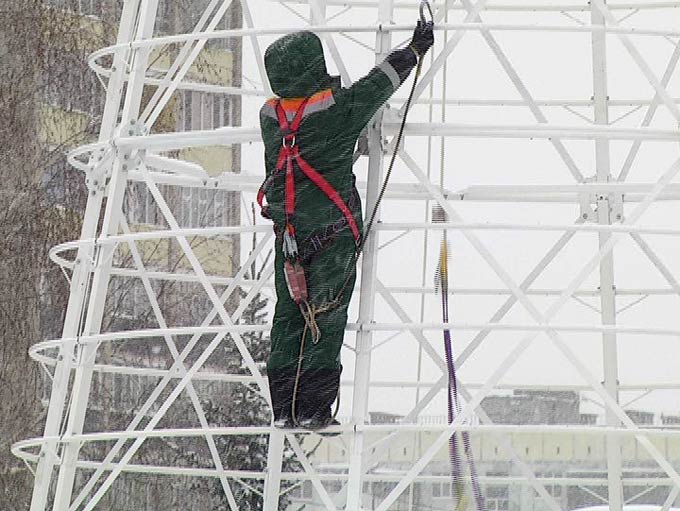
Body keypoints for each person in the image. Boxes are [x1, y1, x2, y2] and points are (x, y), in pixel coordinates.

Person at [258, 22, 434, 429]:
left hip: (289, 235)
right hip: (331, 232)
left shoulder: (272, 118)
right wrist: (415, 48)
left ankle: (283, 407)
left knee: (288, 317)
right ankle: (314, 409)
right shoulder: (336, 113)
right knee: (328, 313)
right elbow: (378, 85)